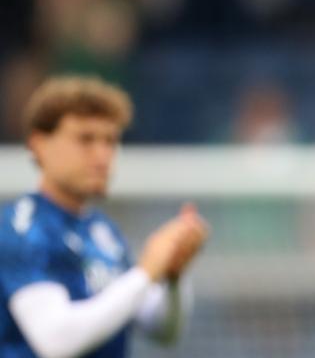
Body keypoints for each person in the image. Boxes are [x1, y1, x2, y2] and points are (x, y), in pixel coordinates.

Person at [0, 76, 209, 358]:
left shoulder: (103, 231)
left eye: (110, 141)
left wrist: (173, 275)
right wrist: (147, 271)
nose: (102, 155)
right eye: (85, 139)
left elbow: (162, 330)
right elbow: (55, 342)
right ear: (39, 144)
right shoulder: (20, 228)